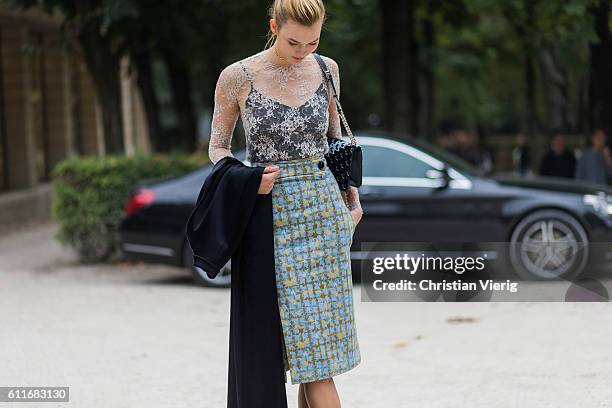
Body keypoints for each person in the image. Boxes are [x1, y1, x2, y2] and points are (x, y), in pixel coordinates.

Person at [207, 1, 362, 407]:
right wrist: (248, 179)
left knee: (317, 350)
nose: (303, 50)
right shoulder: (237, 76)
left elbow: (335, 143)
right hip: (268, 216)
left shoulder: (327, 68)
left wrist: (352, 204)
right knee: (288, 343)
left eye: (313, 41)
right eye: (294, 41)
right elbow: (218, 148)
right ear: (274, 26)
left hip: (324, 213)